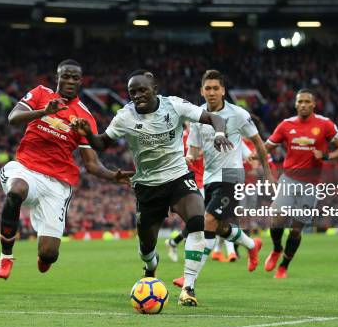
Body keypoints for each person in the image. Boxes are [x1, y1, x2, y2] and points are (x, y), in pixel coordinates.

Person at [72, 69, 232, 307]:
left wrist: (219, 134)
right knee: (147, 248)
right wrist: (87, 133)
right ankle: (150, 268)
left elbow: (214, 118)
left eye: (142, 90)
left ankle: (188, 287)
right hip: (147, 187)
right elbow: (102, 143)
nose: (137, 95)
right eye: (132, 92)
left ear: (155, 89)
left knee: (197, 221)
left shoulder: (175, 106)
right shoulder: (125, 117)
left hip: (179, 178)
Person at [0, 60, 132, 280]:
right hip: (26, 168)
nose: (69, 81)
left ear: (80, 81)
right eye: (65, 76)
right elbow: (13, 119)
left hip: (57, 183)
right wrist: (42, 112)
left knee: (49, 254)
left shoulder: (84, 116)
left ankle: (44, 258)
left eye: (75, 78)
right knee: (16, 190)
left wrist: (113, 175)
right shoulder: (40, 94)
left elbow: (91, 163)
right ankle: (6, 256)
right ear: (57, 77)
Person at [172, 70, 272, 288]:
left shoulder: (238, 114)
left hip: (232, 174)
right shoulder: (198, 116)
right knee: (218, 226)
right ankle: (251, 244)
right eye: (208, 88)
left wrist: (268, 174)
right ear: (201, 91)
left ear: (223, 91)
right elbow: (195, 151)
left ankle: (190, 279)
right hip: (209, 177)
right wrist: (188, 157)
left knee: (206, 221)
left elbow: (259, 143)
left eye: (216, 88)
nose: (212, 92)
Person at [264, 89, 338, 278]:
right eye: (300, 101)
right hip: (288, 179)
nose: (303, 104)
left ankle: (284, 266)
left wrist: (327, 156)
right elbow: (266, 146)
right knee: (276, 218)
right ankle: (276, 248)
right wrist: (255, 155)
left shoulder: (325, 124)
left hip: (311, 184)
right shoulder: (286, 125)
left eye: (307, 101)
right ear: (295, 104)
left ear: (313, 104)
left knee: (296, 230)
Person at [165, 122, 204, 263]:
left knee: (201, 219)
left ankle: (174, 242)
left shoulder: (202, 135)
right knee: (200, 218)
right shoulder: (181, 137)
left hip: (206, 178)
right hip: (191, 180)